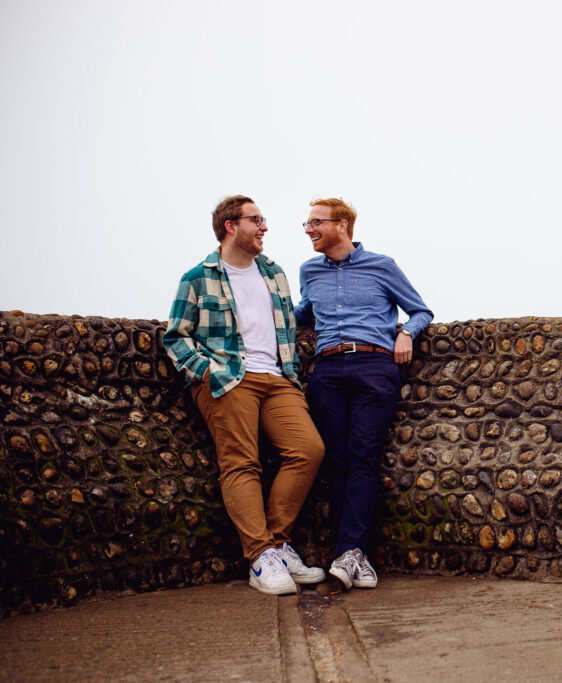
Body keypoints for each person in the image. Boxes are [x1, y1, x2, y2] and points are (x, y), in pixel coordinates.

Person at [163, 195, 326, 596]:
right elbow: (176, 336)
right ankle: (259, 558)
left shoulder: (274, 273)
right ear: (230, 226)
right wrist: (208, 371)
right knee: (241, 462)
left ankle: (277, 543)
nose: (264, 227)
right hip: (230, 378)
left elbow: (293, 318)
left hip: (278, 377)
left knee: (309, 450)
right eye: (256, 220)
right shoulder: (198, 277)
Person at [295, 195, 432, 589]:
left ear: (341, 226)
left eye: (316, 222)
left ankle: (351, 551)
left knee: (363, 455)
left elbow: (420, 310)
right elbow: (306, 311)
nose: (309, 230)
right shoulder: (309, 271)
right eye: (306, 224)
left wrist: (406, 332)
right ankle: (353, 556)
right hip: (328, 369)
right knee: (335, 459)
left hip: (374, 366)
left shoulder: (382, 266)